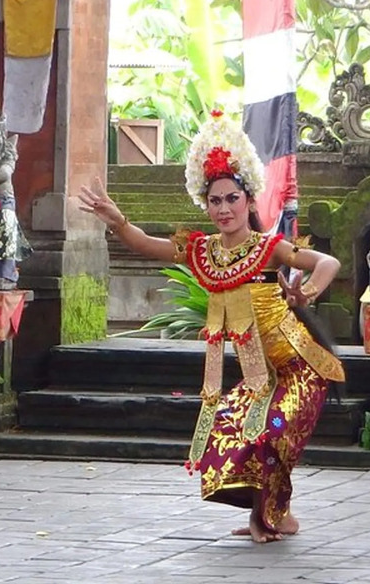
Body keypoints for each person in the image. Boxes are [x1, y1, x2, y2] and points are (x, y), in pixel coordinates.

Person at [79, 110, 345, 543]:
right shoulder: (202, 251)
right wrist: (118, 222)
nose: (223, 208)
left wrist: (307, 292)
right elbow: (150, 246)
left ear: (248, 200)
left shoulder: (270, 248)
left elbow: (327, 262)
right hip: (260, 377)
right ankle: (279, 513)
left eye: (231, 199)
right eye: (215, 201)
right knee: (227, 429)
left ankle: (267, 517)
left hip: (301, 367)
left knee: (272, 430)